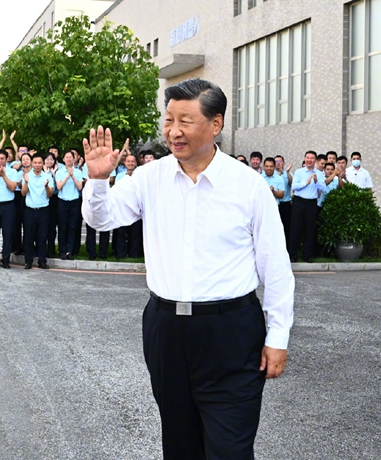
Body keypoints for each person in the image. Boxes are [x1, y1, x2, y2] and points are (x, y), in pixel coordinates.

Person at [81, 78, 294, 458]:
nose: (173, 132)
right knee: (180, 445)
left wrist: (278, 335)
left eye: (186, 120)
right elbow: (103, 219)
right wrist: (98, 182)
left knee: (230, 448)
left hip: (231, 333)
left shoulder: (247, 185)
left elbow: (274, 264)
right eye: (168, 120)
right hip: (167, 330)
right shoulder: (149, 178)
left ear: (216, 124)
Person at [288, 150, 326, 263]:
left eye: (312, 158)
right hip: (299, 202)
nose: (309, 160)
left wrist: (316, 181)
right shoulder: (299, 172)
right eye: (307, 158)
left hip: (312, 204)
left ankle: (307, 255)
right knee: (295, 229)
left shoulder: (319, 173)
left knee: (310, 230)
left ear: (315, 160)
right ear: (305, 159)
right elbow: (294, 186)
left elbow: (323, 189)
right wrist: (306, 182)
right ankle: (292, 255)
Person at [21, 153, 53, 269]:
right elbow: (23, 193)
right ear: (32, 163)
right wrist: (26, 182)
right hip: (30, 210)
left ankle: (42, 260)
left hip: (43, 210)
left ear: (43, 163)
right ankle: (28, 261)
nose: (37, 165)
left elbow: (50, 195)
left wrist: (46, 186)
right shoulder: (27, 176)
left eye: (40, 163)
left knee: (42, 236)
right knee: (29, 236)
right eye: (35, 162)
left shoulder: (47, 177)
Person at [111, 153, 143, 259]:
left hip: (136, 208)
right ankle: (121, 254)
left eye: (132, 161)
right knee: (121, 233)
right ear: (124, 163)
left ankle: (134, 254)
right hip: (122, 209)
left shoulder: (139, 175)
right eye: (128, 161)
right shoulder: (120, 176)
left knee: (135, 233)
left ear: (136, 163)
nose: (130, 163)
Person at [55, 150, 84, 260]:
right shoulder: (59, 172)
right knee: (62, 227)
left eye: (70, 157)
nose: (68, 159)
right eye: (66, 157)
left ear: (74, 159)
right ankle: (62, 251)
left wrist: (73, 176)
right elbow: (58, 187)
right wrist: (67, 175)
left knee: (72, 227)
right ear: (63, 159)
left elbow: (80, 187)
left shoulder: (78, 172)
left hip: (74, 202)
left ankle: (69, 251)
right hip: (62, 202)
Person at [274, 155, 293, 243]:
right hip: (275, 204)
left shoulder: (288, 173)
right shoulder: (272, 174)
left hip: (286, 204)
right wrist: (278, 174)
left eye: (280, 161)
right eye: (276, 161)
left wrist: (287, 172)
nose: (278, 163)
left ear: (284, 163)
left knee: (286, 226)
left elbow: (292, 183)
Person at [44, 153, 59, 258]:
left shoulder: (57, 172)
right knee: (43, 226)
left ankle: (51, 249)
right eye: (47, 159)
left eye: (51, 159)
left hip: (54, 200)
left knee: (52, 226)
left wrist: (53, 174)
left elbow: (57, 188)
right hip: (43, 200)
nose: (49, 161)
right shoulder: (40, 171)